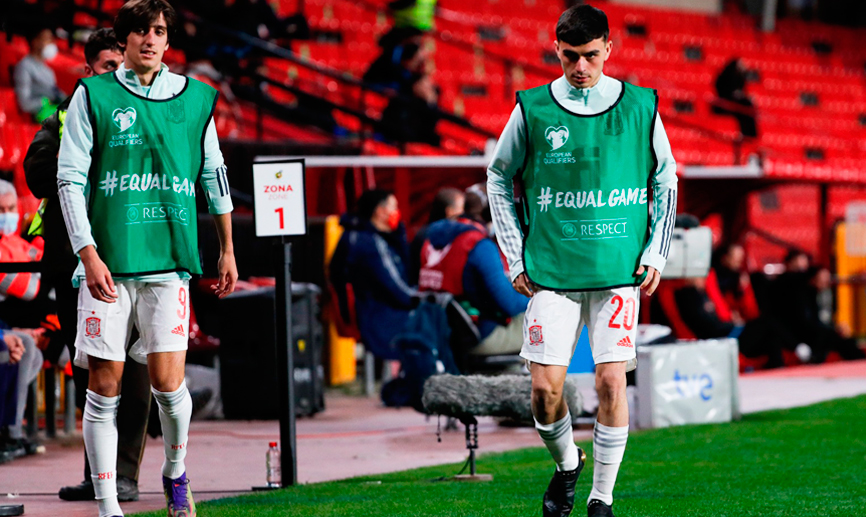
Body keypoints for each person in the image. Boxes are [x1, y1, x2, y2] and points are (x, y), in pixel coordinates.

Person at [486, 5, 678, 516]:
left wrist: (657, 248)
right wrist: (514, 255)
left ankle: (601, 498)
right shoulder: (532, 108)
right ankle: (568, 464)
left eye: (591, 56)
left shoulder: (640, 106)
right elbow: (498, 176)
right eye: (570, 56)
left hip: (618, 268)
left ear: (608, 50)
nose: (580, 67)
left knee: (612, 380)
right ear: (557, 50)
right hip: (551, 269)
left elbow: (667, 178)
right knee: (546, 392)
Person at [57, 2, 238, 516]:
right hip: (107, 267)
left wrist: (226, 248)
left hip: (169, 263)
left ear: (168, 39)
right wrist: (87, 254)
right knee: (104, 386)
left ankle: (176, 473)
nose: (150, 39)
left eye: (158, 31)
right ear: (124, 40)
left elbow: (214, 175)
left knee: (168, 383)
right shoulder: (93, 95)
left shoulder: (197, 99)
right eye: (139, 31)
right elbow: (69, 180)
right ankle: (109, 504)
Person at [24, 28, 150, 503]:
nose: (112, 75)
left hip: (134, 259)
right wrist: (78, 141)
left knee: (133, 368)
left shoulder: (145, 115)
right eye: (103, 67)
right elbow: (36, 177)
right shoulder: (61, 117)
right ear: (87, 70)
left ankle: (127, 475)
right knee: (89, 370)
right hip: (73, 263)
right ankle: (97, 474)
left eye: (120, 66)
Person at [418, 184, 526, 357]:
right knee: (543, 324)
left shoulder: (429, 239)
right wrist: (539, 293)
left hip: (437, 333)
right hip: (476, 335)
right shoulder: (479, 245)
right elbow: (511, 304)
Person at [330, 189, 416, 361]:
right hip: (381, 317)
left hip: (373, 313)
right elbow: (396, 287)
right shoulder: (371, 243)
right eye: (394, 207)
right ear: (380, 211)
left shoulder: (358, 235)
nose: (397, 212)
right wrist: (421, 299)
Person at [0, 180, 45, 457]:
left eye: (11, 208)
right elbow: (30, 288)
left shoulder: (17, 243)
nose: (7, 215)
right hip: (8, 327)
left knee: (48, 347)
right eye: (1, 209)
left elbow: (42, 276)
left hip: (22, 324)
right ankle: (10, 433)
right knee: (24, 348)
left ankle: (10, 430)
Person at [409, 187, 464, 285]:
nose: (464, 213)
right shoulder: (435, 236)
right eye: (462, 208)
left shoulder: (424, 231)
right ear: (450, 211)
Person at [14, 25, 66, 123]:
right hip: (40, 118)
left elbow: (57, 94)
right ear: (35, 41)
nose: (51, 43)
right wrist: (45, 102)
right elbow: (24, 104)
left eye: (51, 39)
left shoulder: (49, 71)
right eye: (46, 39)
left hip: (54, 113)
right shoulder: (24, 66)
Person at [713, 58, 757, 138]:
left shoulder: (740, 78)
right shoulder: (724, 77)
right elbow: (720, 90)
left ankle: (750, 135)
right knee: (745, 106)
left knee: (747, 108)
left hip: (737, 104)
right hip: (725, 104)